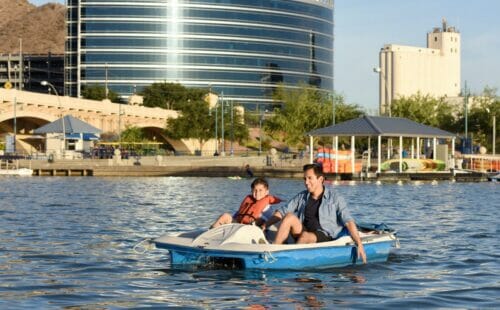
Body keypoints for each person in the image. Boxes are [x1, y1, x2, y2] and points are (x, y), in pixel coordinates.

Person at [262, 163, 367, 263]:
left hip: (325, 234)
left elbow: (348, 221)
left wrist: (359, 243)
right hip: (304, 231)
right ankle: (274, 252)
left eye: (309, 178)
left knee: (305, 236)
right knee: (289, 217)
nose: (306, 182)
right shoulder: (302, 197)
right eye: (305, 179)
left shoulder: (335, 198)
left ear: (320, 179)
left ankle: (291, 260)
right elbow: (282, 212)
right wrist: (265, 225)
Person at [210, 178, 281, 228]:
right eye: (255, 190)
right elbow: (237, 215)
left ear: (267, 192)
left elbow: (266, 222)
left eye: (260, 190)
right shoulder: (248, 202)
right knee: (225, 216)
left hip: (252, 229)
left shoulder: (267, 208)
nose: (257, 193)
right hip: (239, 225)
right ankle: (209, 233)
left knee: (260, 219)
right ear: (251, 191)